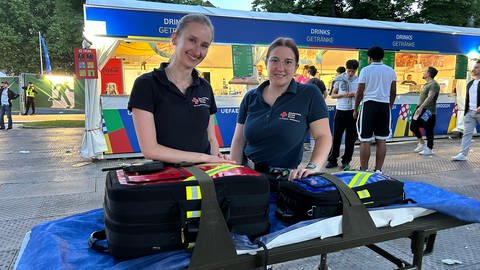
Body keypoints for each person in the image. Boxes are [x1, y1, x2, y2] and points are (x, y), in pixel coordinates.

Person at [127, 14, 230, 164]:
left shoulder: (205, 88)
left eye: (204, 45)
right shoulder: (146, 84)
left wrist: (216, 159)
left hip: (203, 178)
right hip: (167, 180)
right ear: (174, 38)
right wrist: (204, 158)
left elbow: (211, 138)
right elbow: (150, 149)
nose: (197, 51)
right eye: (192, 40)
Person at [230, 37, 332, 182]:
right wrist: (234, 172)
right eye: (274, 60)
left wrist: (312, 167)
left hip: (286, 181)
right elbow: (239, 140)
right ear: (266, 63)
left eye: (288, 62)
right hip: (249, 178)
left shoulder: (309, 94)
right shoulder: (251, 97)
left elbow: (323, 136)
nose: (280, 67)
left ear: (296, 67)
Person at [353, 46, 396, 173]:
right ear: (382, 57)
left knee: (365, 140)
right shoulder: (390, 71)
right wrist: (389, 106)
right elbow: (393, 92)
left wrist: (355, 109)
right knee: (381, 140)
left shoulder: (365, 70)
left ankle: (364, 170)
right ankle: (378, 170)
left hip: (368, 105)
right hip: (384, 106)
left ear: (370, 57)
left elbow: (359, 92)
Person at [325, 59, 359, 170]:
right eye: (349, 71)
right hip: (340, 110)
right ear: (346, 68)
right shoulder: (339, 79)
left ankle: (346, 161)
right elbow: (332, 95)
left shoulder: (358, 81)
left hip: (352, 111)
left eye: (353, 72)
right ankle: (332, 159)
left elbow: (362, 95)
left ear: (356, 71)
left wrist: (355, 95)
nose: (350, 73)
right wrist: (344, 95)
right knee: (337, 137)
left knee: (351, 138)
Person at [452, 60, 480, 161]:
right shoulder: (470, 83)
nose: (474, 69)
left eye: (477, 67)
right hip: (469, 112)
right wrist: (466, 111)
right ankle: (462, 154)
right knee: (467, 134)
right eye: (474, 67)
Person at [410, 67, 440, 155]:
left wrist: (421, 107)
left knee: (428, 129)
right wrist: (419, 108)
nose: (423, 73)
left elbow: (430, 97)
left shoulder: (434, 84)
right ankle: (422, 143)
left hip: (428, 111)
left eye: (425, 71)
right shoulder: (426, 84)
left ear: (429, 74)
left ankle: (429, 149)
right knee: (413, 126)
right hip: (420, 108)